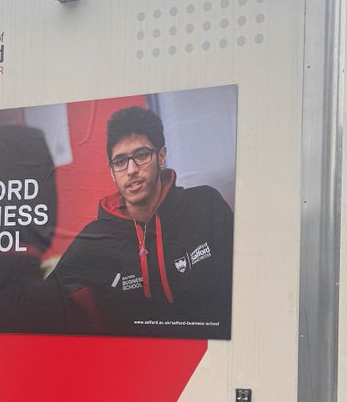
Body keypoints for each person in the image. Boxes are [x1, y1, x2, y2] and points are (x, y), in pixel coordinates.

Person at [51, 105, 234, 338]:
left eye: (141, 155)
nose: (131, 170)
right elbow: (45, 301)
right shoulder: (94, 240)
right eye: (120, 161)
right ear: (111, 171)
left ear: (161, 156)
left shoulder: (206, 206)